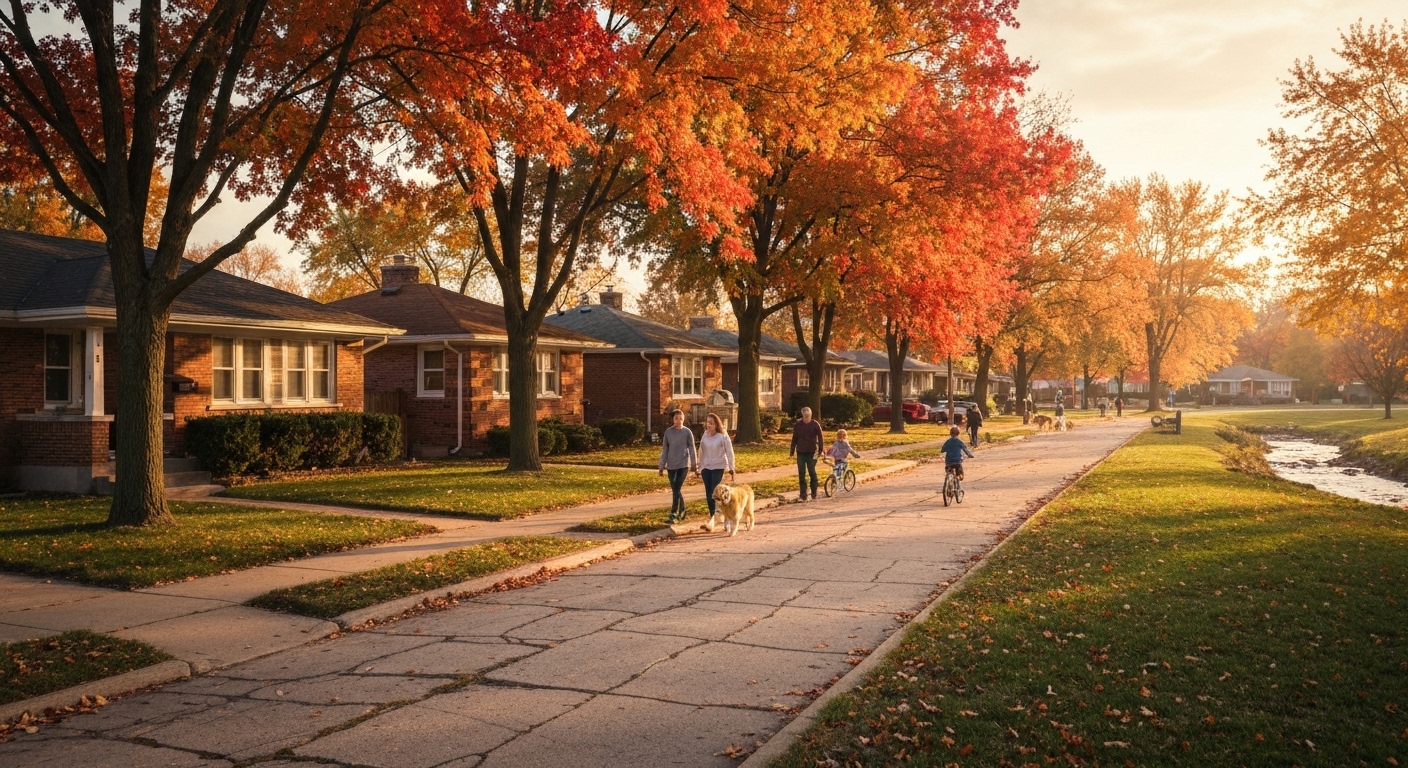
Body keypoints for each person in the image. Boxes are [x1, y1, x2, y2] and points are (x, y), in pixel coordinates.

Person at [697, 413, 736, 532]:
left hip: (718, 466)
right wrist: (699, 467)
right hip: (706, 467)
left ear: (716, 424)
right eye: (707, 422)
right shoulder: (705, 435)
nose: (709, 425)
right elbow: (701, 451)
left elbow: (729, 451)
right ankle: (713, 518)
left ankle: (725, 519)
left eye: (711, 423)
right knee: (709, 494)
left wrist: (731, 467)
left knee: (716, 493)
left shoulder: (722, 436)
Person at [658, 409, 698, 524]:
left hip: (683, 465)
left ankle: (673, 513)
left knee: (676, 488)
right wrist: (662, 465)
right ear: (673, 419)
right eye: (676, 418)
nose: (678, 420)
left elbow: (692, 448)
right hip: (671, 465)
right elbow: (665, 449)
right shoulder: (668, 432)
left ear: (683, 419)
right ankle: (683, 510)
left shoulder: (687, 432)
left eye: (681, 418)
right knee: (676, 489)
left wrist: (694, 464)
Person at [790, 406, 824, 501]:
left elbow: (820, 438)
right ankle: (803, 494)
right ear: (802, 415)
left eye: (808, 414)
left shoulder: (815, 425)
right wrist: (792, 451)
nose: (806, 416)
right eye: (804, 414)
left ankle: (814, 492)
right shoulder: (798, 425)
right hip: (801, 452)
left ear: (810, 415)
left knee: (812, 472)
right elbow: (794, 438)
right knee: (801, 473)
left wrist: (820, 450)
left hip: (812, 452)